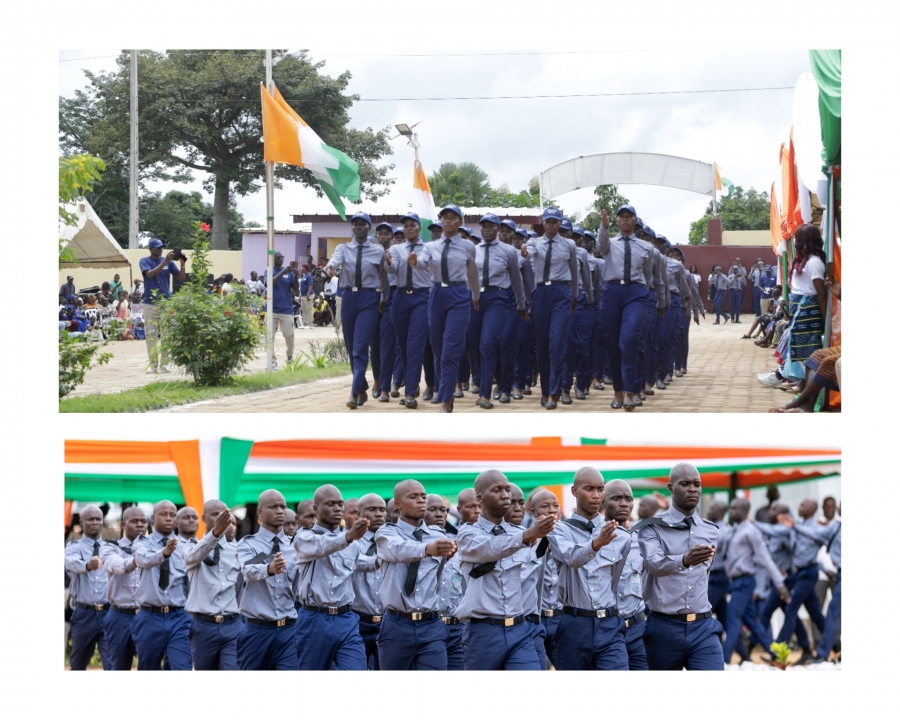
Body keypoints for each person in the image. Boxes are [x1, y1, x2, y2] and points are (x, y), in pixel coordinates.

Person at [455, 471, 554, 670]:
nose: (505, 495)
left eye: (507, 489)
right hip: (483, 632)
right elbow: (489, 548)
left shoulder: (519, 534)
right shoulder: (468, 533)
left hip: (520, 630)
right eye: (497, 490)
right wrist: (527, 536)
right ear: (480, 498)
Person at [635, 463, 723, 670]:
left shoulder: (711, 531)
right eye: (685, 484)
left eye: (697, 484)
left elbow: (705, 573)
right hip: (664, 628)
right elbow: (654, 565)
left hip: (703, 627)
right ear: (670, 487)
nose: (693, 489)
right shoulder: (652, 528)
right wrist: (684, 560)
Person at [547, 467, 629, 670]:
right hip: (574, 625)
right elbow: (572, 557)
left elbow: (614, 580)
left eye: (600, 489)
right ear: (574, 491)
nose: (596, 495)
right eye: (589, 489)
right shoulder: (558, 531)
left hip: (609, 624)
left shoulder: (622, 536)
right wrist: (596, 543)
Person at [374, 480, 458, 670]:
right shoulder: (387, 533)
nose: (421, 501)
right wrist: (427, 549)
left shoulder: (439, 535)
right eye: (413, 497)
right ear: (398, 504)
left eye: (423, 497)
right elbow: (397, 550)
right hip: (397, 625)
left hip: (431, 624)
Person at [292, 484, 370, 670]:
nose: (337, 508)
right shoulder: (303, 537)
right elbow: (322, 546)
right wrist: (348, 537)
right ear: (316, 509)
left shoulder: (352, 543)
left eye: (340, 504)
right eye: (330, 504)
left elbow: (366, 562)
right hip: (315, 619)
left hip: (346, 619)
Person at [411, 204, 480, 413]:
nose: (448, 220)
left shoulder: (468, 247)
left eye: (453, 217)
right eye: (445, 217)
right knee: (438, 347)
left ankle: (445, 398)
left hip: (459, 295)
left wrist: (476, 295)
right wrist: (415, 263)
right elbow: (423, 263)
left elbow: (472, 274)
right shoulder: (431, 247)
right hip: (437, 294)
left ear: (460, 222)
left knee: (451, 347)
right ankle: (446, 390)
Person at [325, 211, 390, 410]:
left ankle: (354, 392)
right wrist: (329, 267)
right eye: (355, 224)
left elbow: (384, 278)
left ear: (369, 227)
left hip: (369, 298)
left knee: (361, 346)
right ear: (352, 228)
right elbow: (334, 261)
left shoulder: (378, 251)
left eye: (363, 224)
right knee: (351, 345)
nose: (359, 227)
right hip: (348, 298)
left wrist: (384, 298)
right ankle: (361, 387)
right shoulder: (343, 248)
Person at [597, 206, 654, 411]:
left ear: (635, 220)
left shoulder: (646, 248)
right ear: (618, 221)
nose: (626, 220)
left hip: (635, 294)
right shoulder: (609, 243)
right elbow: (600, 246)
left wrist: (641, 291)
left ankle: (630, 391)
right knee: (613, 344)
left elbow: (648, 275)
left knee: (629, 339)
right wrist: (604, 226)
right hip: (612, 292)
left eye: (629, 217)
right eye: (622, 217)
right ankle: (618, 391)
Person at [521, 207, 578, 409]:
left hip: (562, 292)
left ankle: (554, 392)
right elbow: (529, 254)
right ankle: (545, 391)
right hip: (541, 294)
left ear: (560, 223)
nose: (552, 224)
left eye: (555, 221)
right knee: (543, 345)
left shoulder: (569, 245)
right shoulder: (534, 242)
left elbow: (574, 271)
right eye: (548, 221)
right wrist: (525, 252)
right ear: (543, 223)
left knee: (556, 343)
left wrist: (574, 296)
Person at [721, 498, 790, 665]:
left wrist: (780, 584)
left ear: (745, 512)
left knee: (732, 620)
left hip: (744, 582)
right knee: (752, 622)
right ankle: (776, 656)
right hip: (736, 582)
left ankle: (723, 662)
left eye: (735, 509)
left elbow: (765, 560)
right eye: (731, 508)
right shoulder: (734, 530)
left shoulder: (751, 532)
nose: (731, 512)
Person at [235, 490, 299, 670]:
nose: (280, 511)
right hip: (257, 632)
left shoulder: (294, 546)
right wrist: (269, 569)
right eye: (274, 507)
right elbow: (248, 571)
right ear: (260, 513)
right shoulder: (248, 544)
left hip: (289, 631)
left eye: (283, 507)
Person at [469, 213, 527, 409]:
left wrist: (520, 305)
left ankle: (486, 394)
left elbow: (517, 281)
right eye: (483, 226)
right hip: (475, 299)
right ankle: (489, 381)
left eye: (491, 226)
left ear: (497, 229)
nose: (487, 229)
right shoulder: (472, 249)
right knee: (475, 346)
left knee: (488, 344)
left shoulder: (509, 251)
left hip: (497, 299)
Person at [132, 500, 192, 670]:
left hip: (179, 617)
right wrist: (164, 552)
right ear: (153, 518)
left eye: (172, 515)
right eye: (163, 514)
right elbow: (143, 559)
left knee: (182, 668)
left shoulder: (186, 547)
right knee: (148, 669)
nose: (168, 518)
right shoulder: (141, 543)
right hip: (149, 617)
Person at [181, 501, 241, 670]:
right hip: (203, 627)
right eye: (215, 514)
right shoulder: (191, 546)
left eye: (224, 515)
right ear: (203, 518)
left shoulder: (236, 550)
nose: (220, 518)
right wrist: (215, 534)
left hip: (232, 625)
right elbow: (192, 557)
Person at [385, 212, 434, 408]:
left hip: (422, 297)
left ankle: (410, 392)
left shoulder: (428, 248)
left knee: (415, 344)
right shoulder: (396, 248)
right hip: (400, 297)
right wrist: (388, 263)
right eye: (406, 226)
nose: (409, 228)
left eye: (412, 225)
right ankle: (412, 385)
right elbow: (392, 269)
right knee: (404, 345)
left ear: (419, 228)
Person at [770, 500, 828, 663]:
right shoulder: (799, 525)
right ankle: (831, 647)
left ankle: (778, 655)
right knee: (815, 613)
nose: (799, 507)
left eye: (803, 505)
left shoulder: (816, 527)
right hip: (800, 574)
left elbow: (814, 543)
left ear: (811, 509)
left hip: (808, 573)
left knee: (790, 610)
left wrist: (794, 526)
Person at [603, 480, 649, 670]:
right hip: (607, 629)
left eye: (628, 499)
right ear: (602, 502)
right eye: (616, 498)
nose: (624, 504)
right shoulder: (594, 541)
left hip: (638, 627)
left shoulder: (643, 540)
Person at [65, 505, 113, 670]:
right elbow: (70, 562)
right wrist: (87, 565)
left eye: (98, 519)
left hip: (109, 614)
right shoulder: (73, 547)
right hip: (84, 615)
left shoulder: (111, 548)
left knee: (112, 664)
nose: (95, 522)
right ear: (81, 521)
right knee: (78, 665)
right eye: (90, 519)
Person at [779, 223, 828, 384]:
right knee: (805, 352)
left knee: (811, 352)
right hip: (800, 311)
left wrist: (826, 320)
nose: (794, 243)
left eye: (797, 239)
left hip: (808, 311)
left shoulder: (814, 263)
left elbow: (821, 293)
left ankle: (807, 391)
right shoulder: (804, 262)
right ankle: (803, 386)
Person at [99, 506, 146, 670]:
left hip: (147, 616)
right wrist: (138, 559)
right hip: (120, 617)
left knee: (150, 666)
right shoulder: (110, 547)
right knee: (119, 667)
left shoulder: (155, 549)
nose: (140, 524)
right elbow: (118, 566)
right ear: (123, 524)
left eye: (143, 521)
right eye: (134, 521)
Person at [425, 493, 465, 670]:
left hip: (457, 628)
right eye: (432, 509)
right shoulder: (412, 546)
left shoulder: (457, 543)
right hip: (429, 625)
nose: (439, 514)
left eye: (443, 510)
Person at [352, 494, 388, 670]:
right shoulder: (350, 542)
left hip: (387, 621)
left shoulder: (394, 541)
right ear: (359, 514)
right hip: (358, 620)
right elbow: (356, 561)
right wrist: (379, 560)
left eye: (382, 509)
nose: (379, 514)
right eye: (372, 510)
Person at [139, 238, 186, 373]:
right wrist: (165, 261)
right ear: (150, 249)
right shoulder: (144, 261)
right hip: (150, 304)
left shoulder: (170, 263)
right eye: (158, 248)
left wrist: (182, 264)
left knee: (166, 335)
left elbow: (181, 278)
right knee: (151, 335)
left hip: (166, 302)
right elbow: (150, 274)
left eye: (162, 248)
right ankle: (153, 365)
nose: (160, 250)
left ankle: (164, 364)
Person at [529, 489, 563, 667]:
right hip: (536, 619)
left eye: (555, 506)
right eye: (545, 506)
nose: (552, 510)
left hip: (560, 619)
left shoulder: (568, 541)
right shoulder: (525, 542)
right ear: (533, 512)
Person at [262, 252, 300, 368]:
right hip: (272, 310)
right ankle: (272, 360)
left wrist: (296, 278)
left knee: (289, 335)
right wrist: (283, 272)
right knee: (269, 336)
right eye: (277, 257)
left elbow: (296, 290)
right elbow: (269, 283)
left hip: (286, 309)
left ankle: (289, 356)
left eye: (281, 257)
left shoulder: (289, 274)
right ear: (273, 259)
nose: (280, 259)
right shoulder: (268, 271)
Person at [705, 500, 731, 626]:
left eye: (711, 509)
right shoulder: (712, 528)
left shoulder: (721, 531)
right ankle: (740, 646)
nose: (708, 511)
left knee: (703, 613)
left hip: (717, 577)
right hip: (712, 576)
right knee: (725, 617)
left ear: (720, 512)